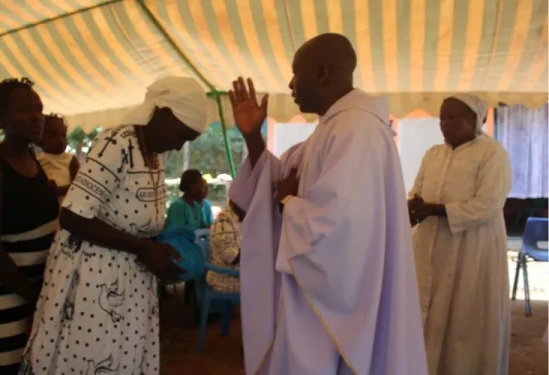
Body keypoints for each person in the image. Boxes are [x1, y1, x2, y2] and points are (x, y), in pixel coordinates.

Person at [227, 33, 427, 374]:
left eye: (296, 72)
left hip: (336, 303)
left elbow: (338, 224)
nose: (290, 84)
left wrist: (289, 201)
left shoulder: (356, 129)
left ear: (322, 73)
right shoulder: (333, 128)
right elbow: (278, 182)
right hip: (318, 296)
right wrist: (252, 137)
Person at [20, 76, 210, 375]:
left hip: (132, 281)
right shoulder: (117, 142)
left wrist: (158, 246)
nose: (178, 145)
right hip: (94, 281)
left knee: (123, 361)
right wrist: (143, 247)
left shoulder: (154, 153)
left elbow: (137, 218)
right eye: (181, 135)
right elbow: (72, 215)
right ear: (163, 113)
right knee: (93, 359)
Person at [408, 94, 511, 375]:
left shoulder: (492, 153)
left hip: (472, 251)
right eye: (442, 117)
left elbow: (489, 203)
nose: (445, 123)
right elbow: (416, 191)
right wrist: (413, 208)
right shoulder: (433, 154)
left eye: (453, 116)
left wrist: (434, 209)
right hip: (430, 248)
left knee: (465, 322)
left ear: (474, 120)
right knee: (430, 318)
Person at [0, 78, 59, 374]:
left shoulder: (35, 159)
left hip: (38, 291)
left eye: (39, 109)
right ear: (0, 118)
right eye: (25, 109)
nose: (36, 116)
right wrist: (35, 297)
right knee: (10, 368)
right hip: (6, 292)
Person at [36, 114, 80, 203]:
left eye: (63, 135)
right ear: (41, 137)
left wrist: (58, 190)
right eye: (54, 135)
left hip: (65, 207)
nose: (61, 140)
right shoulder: (36, 159)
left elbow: (78, 186)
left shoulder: (70, 159)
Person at [206, 200, 245, 293]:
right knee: (268, 284)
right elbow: (232, 258)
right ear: (233, 203)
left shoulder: (241, 218)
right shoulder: (223, 222)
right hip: (226, 277)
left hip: (239, 272)